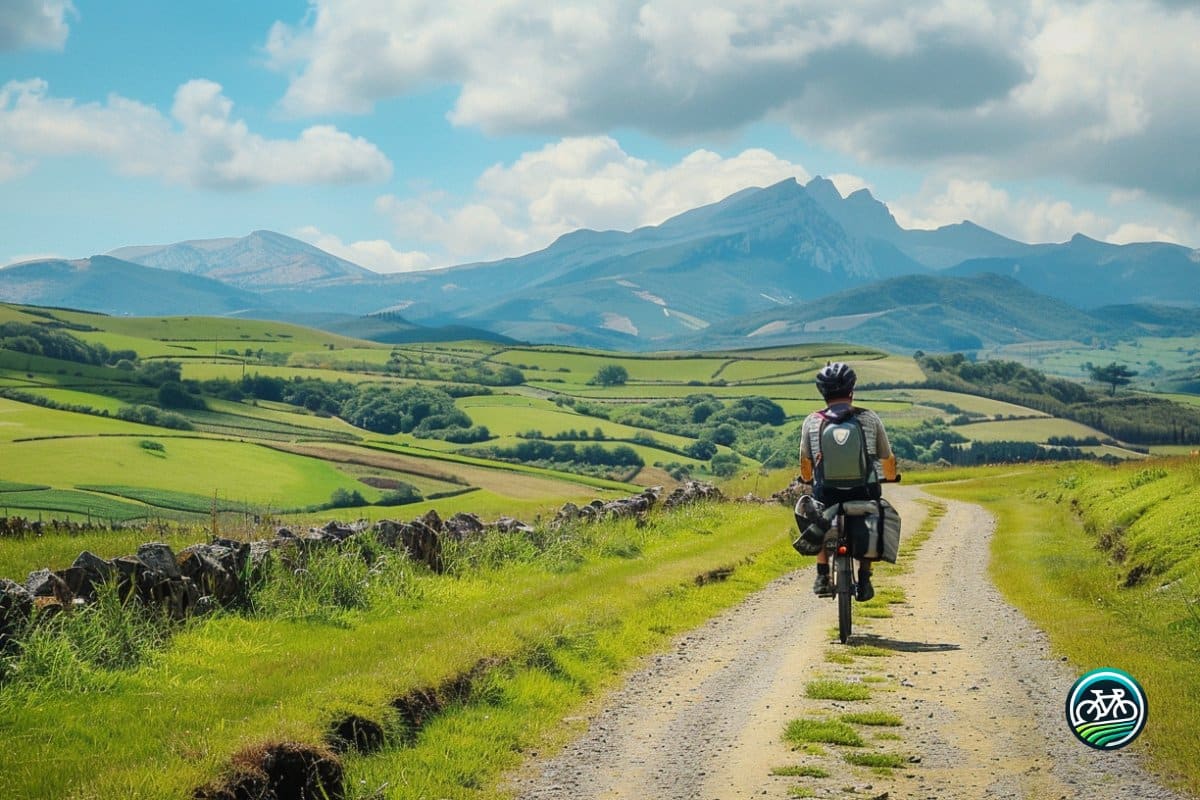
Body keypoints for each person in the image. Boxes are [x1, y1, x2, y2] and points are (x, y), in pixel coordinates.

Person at [799, 362, 897, 602]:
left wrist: (807, 479)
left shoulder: (812, 422)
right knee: (873, 520)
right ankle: (865, 577)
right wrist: (891, 476)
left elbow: (805, 462)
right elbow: (887, 457)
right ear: (852, 391)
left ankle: (822, 574)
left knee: (817, 516)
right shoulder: (869, 418)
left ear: (823, 393)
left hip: (827, 493)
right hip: (864, 491)